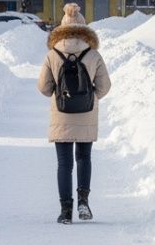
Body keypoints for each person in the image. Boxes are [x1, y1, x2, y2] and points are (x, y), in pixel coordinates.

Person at [37, 22, 111, 224]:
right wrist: (90, 96)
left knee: (64, 163)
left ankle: (66, 210)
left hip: (61, 115)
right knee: (84, 158)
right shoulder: (93, 54)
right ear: (84, 31)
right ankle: (83, 202)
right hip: (86, 114)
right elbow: (105, 87)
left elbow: (44, 87)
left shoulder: (52, 54)